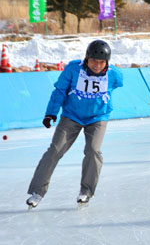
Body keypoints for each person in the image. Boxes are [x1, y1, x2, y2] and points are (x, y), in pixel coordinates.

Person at [26, 40, 124, 209]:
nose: (97, 65)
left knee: (93, 150)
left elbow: (116, 85)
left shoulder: (114, 74)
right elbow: (60, 91)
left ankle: (86, 190)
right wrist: (51, 112)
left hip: (98, 117)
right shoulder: (73, 68)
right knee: (55, 150)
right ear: (86, 58)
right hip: (72, 116)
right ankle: (37, 192)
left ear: (107, 63)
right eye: (93, 60)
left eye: (101, 62)